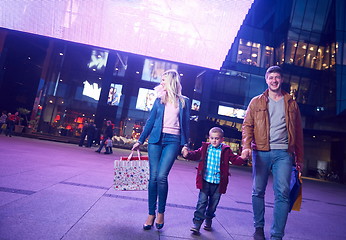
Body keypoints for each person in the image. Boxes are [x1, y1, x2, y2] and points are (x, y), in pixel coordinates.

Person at [241, 66, 304, 240]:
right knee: (257, 191)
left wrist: (300, 158)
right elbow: (247, 126)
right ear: (266, 80)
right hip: (261, 152)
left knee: (282, 193)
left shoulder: (291, 103)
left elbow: (298, 131)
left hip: (284, 153)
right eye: (271, 77)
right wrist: (246, 145)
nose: (274, 80)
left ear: (281, 79)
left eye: (277, 77)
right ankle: (259, 228)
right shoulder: (256, 102)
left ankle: (277, 235)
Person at [132, 69, 190, 230]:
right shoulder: (159, 99)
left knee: (162, 176)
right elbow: (150, 121)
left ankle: (161, 213)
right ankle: (151, 214)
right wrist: (140, 140)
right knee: (153, 178)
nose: (161, 82)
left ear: (171, 81)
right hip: (156, 140)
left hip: (173, 141)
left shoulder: (184, 101)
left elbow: (186, 124)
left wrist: (185, 144)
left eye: (164, 80)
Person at [181, 127, 246, 234]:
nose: (214, 140)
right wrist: (187, 154)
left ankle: (209, 218)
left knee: (212, 205)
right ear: (209, 138)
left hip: (218, 183)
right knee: (202, 202)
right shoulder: (205, 148)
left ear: (222, 139)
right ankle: (197, 224)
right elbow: (195, 154)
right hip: (205, 181)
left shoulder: (225, 150)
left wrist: (242, 158)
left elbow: (234, 159)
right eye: (212, 138)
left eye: (216, 138)